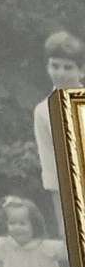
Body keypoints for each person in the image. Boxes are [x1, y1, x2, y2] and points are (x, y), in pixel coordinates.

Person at [33, 31, 83, 196]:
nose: (60, 74)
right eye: (55, 66)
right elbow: (51, 172)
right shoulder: (43, 112)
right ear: (47, 67)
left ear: (81, 70)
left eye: (68, 67)